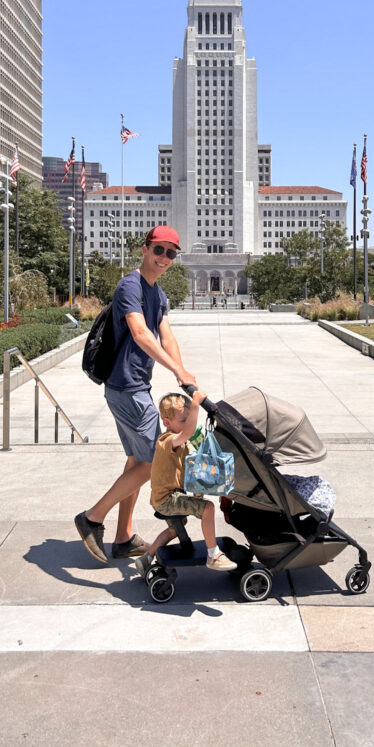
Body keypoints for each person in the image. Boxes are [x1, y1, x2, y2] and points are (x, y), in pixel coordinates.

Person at [75, 225, 196, 563]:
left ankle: (123, 537)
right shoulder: (130, 285)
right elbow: (140, 332)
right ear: (144, 249)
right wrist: (175, 370)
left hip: (136, 385)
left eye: (171, 253)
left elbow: (166, 336)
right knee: (153, 461)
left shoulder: (158, 295)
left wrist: (183, 374)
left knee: (136, 461)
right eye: (159, 250)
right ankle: (92, 518)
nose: (164, 258)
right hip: (126, 387)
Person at [134, 389, 236, 574]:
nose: (187, 424)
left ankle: (146, 557)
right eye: (183, 420)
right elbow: (188, 432)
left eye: (187, 419)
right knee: (208, 508)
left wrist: (199, 491)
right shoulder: (167, 441)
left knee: (173, 530)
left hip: (166, 498)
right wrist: (196, 403)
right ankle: (213, 555)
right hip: (167, 500)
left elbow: (192, 469)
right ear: (167, 422)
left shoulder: (183, 443)